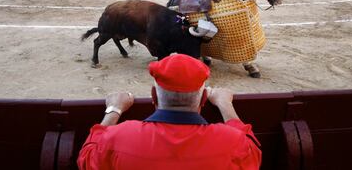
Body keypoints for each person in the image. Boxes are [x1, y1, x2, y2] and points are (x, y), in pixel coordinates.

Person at [77, 54, 262, 170]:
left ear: (154, 97)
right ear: (204, 99)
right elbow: (253, 153)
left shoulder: (118, 137)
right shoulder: (232, 142)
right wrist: (225, 105)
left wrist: (114, 110)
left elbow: (86, 159)